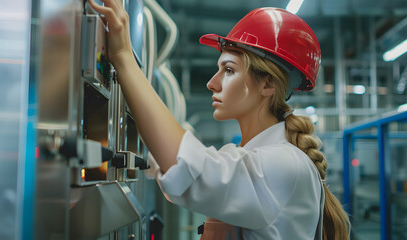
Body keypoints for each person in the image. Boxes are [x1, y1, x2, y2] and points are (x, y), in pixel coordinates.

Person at [89, 0, 351, 239]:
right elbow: (187, 175)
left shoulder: (285, 164)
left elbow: (192, 172)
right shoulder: (253, 158)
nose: (212, 83)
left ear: (268, 84)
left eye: (228, 70)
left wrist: (124, 58)